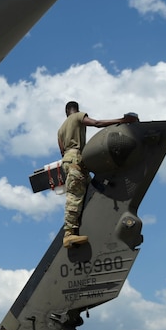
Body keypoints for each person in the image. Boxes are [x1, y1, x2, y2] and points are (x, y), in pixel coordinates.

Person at [57, 101, 137, 248]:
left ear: (66, 111)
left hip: (68, 160)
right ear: (76, 110)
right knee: (75, 196)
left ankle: (78, 228)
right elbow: (97, 123)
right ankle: (69, 234)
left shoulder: (61, 130)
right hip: (76, 158)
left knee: (88, 191)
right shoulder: (77, 117)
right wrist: (123, 121)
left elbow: (62, 151)